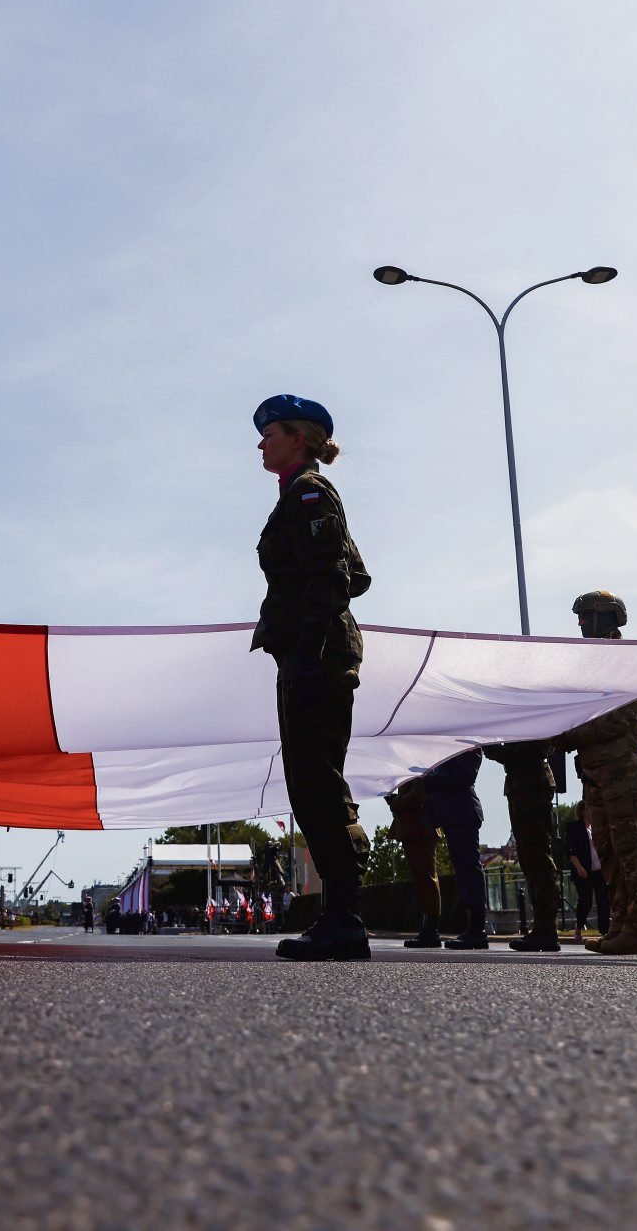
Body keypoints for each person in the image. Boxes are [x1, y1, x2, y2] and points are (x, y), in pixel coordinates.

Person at [249, 396, 374, 963]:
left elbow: (335, 577)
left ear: (298, 437)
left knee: (316, 782)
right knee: (311, 781)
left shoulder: (309, 493)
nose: (261, 442)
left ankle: (344, 918)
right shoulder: (301, 496)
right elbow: (359, 572)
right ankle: (340, 915)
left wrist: (309, 647)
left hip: (315, 655)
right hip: (307, 651)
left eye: (269, 432)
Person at [548, 592, 637, 955]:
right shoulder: (591, 664)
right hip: (595, 768)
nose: (580, 624)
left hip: (622, 766)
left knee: (630, 848)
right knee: (608, 852)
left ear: (608, 617)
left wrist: (572, 734)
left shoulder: (627, 659)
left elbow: (628, 714)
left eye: (586, 616)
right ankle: (620, 926)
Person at [485, 740, 561, 951]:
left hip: (531, 784)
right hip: (522, 784)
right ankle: (542, 926)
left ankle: (547, 928)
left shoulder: (533, 716)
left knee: (538, 858)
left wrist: (496, 750)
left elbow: (531, 749)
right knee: (530, 858)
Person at [423, 750, 489, 951]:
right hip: (454, 815)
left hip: (463, 813)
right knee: (464, 873)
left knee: (469, 871)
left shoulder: (469, 746)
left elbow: (464, 776)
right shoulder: (451, 749)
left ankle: (477, 929)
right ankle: (473, 928)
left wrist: (430, 779)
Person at [383, 776, 442, 948]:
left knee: (426, 880)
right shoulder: (413, 768)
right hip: (415, 830)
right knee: (423, 880)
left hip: (421, 829)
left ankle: (431, 929)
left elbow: (417, 797)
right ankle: (428, 928)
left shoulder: (419, 768)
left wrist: (395, 802)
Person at [563, 800, 609, 940]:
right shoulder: (574, 828)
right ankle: (578, 928)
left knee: (603, 900)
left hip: (598, 869)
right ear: (583, 811)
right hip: (583, 870)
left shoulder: (596, 828)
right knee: (585, 900)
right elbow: (571, 851)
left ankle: (604, 931)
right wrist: (579, 868)